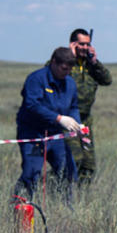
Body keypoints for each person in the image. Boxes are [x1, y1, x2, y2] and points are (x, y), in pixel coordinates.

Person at [15, 47, 83, 197]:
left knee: (68, 171)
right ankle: (21, 206)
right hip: (33, 134)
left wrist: (76, 125)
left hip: (55, 135)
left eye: (69, 69)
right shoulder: (36, 79)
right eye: (64, 68)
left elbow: (73, 107)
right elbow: (32, 105)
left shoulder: (70, 83)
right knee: (31, 173)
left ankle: (66, 207)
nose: (66, 72)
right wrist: (59, 118)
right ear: (54, 62)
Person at [66, 28, 112, 185]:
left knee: (88, 165)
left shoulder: (90, 65)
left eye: (88, 44)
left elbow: (107, 80)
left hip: (85, 121)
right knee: (74, 159)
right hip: (67, 121)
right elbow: (49, 74)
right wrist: (69, 57)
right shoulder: (63, 63)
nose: (85, 48)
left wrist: (95, 62)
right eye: (81, 44)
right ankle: (59, 188)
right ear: (73, 44)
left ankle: (82, 196)